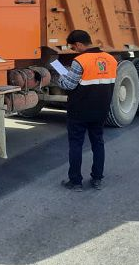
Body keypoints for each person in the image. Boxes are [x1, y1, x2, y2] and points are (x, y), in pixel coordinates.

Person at [57, 30, 117, 191]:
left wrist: (61, 77)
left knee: (76, 144)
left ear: (79, 44)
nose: (74, 50)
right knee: (98, 142)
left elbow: (68, 85)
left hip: (79, 110)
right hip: (101, 109)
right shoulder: (111, 59)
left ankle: (75, 182)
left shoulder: (80, 60)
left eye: (74, 47)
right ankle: (97, 179)